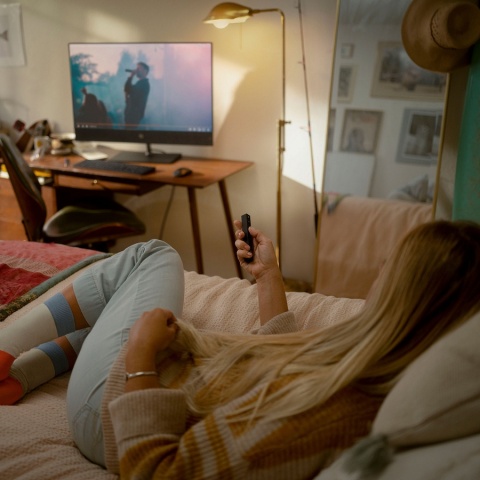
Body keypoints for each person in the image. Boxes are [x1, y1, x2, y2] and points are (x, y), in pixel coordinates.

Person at [0, 220, 480, 479]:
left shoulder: (333, 416)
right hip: (127, 389)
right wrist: (268, 276)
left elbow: (158, 471)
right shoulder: (366, 364)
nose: (376, 278)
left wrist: (141, 356)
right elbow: (276, 368)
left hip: (114, 409)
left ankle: (5, 347)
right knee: (113, 309)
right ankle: (23, 374)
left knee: (153, 255)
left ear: (405, 297)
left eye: (388, 269)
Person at [124, 61, 150, 127]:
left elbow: (128, 89)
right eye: (136, 68)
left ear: (145, 71)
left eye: (139, 68)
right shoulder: (139, 83)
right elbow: (127, 89)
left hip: (134, 117)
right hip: (131, 116)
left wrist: (131, 76)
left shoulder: (144, 84)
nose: (136, 70)